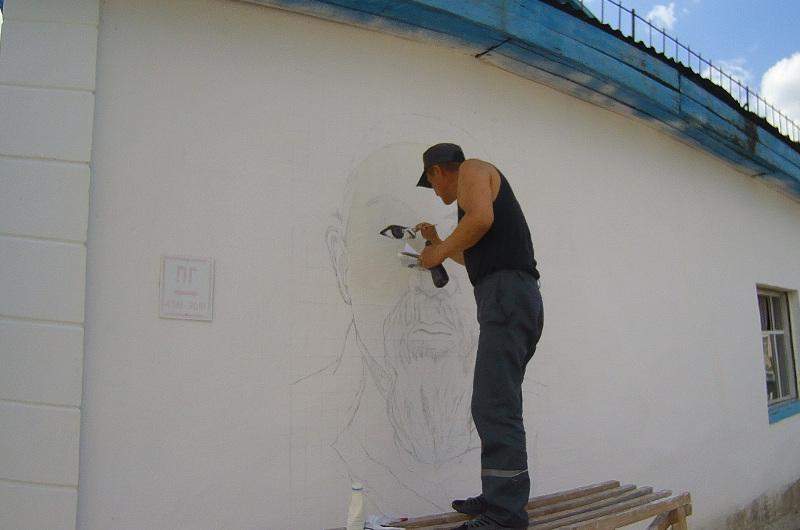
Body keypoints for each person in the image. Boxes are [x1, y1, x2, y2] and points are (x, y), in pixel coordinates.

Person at [416, 143, 544, 529]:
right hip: (509, 297)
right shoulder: (474, 204)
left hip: (506, 295)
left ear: (438, 171)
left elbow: (480, 221)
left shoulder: (473, 168)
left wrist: (438, 253)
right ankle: (498, 497)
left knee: (494, 405)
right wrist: (439, 243)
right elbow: (470, 252)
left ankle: (505, 515)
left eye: (432, 183)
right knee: (495, 401)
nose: (435, 192)